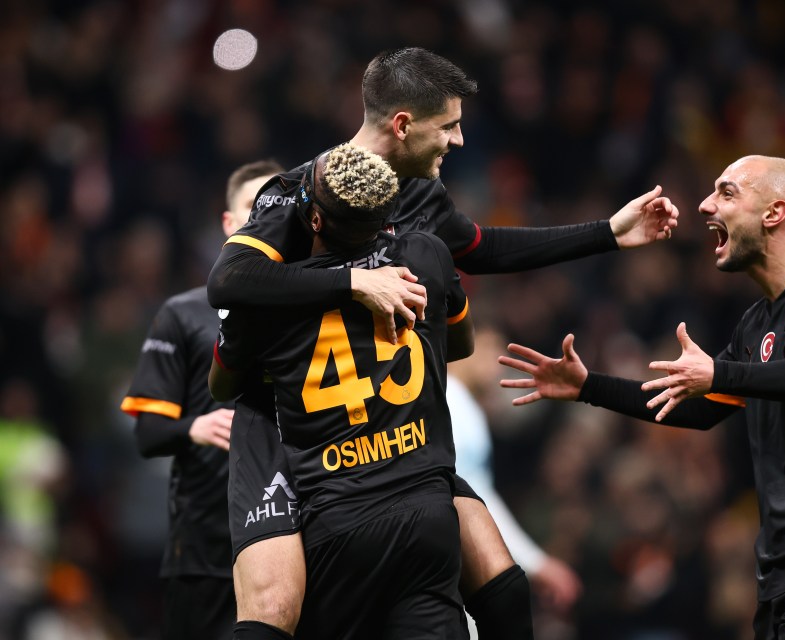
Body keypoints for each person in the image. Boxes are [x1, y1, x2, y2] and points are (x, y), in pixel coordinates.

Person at [206, 47, 678, 640]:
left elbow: (481, 247)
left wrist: (607, 233)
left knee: (498, 584)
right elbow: (227, 280)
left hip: (385, 434)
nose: (458, 140)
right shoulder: (300, 193)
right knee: (277, 611)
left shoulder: (419, 196)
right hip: (283, 429)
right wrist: (354, 281)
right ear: (402, 124)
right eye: (449, 125)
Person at [498, 155, 785, 640]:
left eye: (726, 192)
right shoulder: (758, 323)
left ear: (773, 212)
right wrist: (588, 387)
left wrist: (719, 372)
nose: (703, 205)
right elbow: (699, 407)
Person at [209, 143, 474, 639]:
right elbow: (457, 344)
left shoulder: (265, 297)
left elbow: (222, 384)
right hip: (426, 511)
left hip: (336, 519)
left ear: (311, 219)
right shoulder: (427, 254)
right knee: (502, 586)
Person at [120, 160, 284, 640]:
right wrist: (193, 426)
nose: (265, 220)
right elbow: (147, 435)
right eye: (252, 209)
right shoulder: (184, 314)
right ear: (229, 224)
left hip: (292, 542)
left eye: (275, 210)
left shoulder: (312, 310)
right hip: (205, 552)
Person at [447, 327, 582, 634]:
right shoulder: (453, 401)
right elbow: (474, 500)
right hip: (452, 564)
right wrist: (536, 563)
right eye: (487, 346)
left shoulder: (453, 400)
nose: (495, 361)